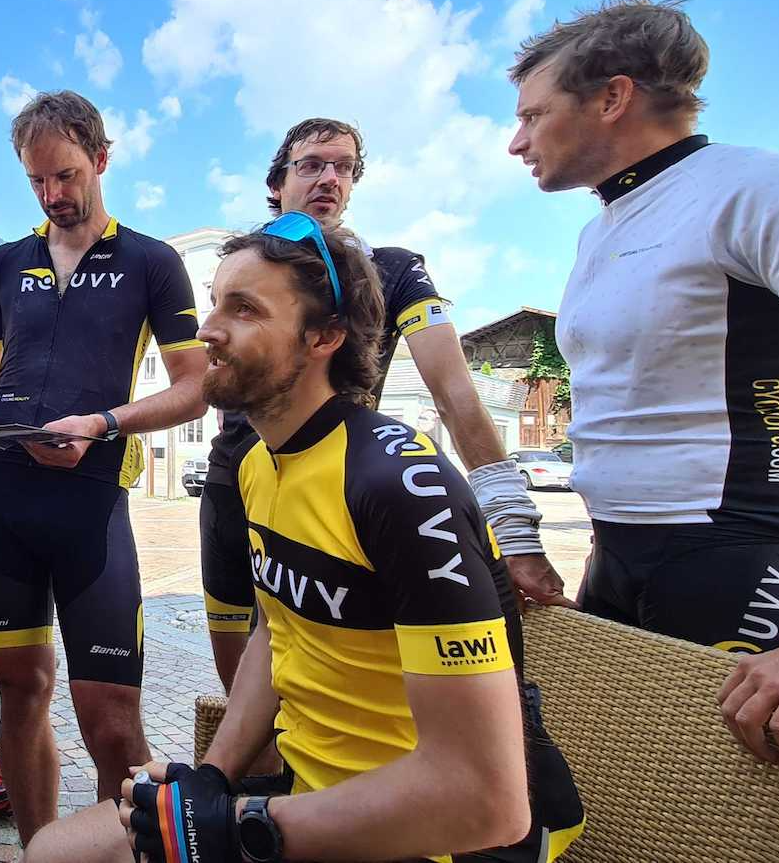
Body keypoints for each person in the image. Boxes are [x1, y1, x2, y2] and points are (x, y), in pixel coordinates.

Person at [24, 220, 583, 863]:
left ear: (324, 337)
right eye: (215, 303)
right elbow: (277, 633)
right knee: (54, 851)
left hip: (439, 836)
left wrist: (239, 828)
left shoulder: (397, 485)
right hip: (312, 796)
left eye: (244, 309)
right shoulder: (259, 464)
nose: (207, 330)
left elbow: (488, 801)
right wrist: (213, 778)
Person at [505, 0, 779, 771]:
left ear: (611, 97)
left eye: (532, 115)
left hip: (745, 547)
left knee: (734, 815)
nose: (515, 141)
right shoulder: (603, 228)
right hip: (618, 552)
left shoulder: (760, 188)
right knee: (606, 798)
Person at [201, 118, 569, 697]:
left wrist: (513, 530)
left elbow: (454, 389)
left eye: (344, 168)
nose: (330, 179)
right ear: (277, 183)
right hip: (241, 476)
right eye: (311, 165)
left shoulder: (391, 268)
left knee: (343, 666)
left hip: (342, 479)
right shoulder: (245, 264)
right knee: (248, 680)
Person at [0, 90, 207, 845]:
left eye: (66, 175)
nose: (52, 194)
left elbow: (195, 386)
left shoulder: (152, 262)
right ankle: (39, 853)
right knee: (19, 692)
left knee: (111, 720)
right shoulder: (4, 264)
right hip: (3, 498)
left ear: (101, 158)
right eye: (36, 180)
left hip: (90, 504)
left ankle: (132, 852)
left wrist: (102, 423)